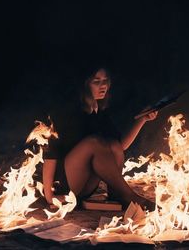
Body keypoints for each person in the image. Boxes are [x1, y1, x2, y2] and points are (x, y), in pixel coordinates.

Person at [42, 67, 157, 210]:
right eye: (96, 82)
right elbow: (50, 150)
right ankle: (130, 196)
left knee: (113, 144)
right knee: (94, 143)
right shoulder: (69, 110)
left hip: (84, 188)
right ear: (84, 84)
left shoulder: (98, 111)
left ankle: (117, 193)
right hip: (62, 185)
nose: (103, 86)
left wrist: (143, 119)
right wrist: (49, 195)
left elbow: (120, 147)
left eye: (105, 81)